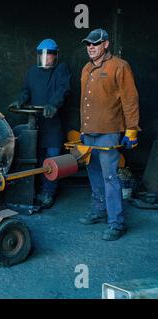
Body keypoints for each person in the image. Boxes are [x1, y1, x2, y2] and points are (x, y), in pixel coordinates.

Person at [78, 28, 140, 241]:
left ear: (106, 44)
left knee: (110, 177)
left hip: (108, 133)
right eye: (88, 44)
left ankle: (116, 223)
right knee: (94, 174)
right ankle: (99, 211)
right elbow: (83, 103)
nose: (91, 47)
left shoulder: (119, 66)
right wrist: (83, 129)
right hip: (89, 132)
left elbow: (130, 100)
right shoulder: (86, 69)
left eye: (95, 43)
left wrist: (131, 129)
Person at [9, 39, 71, 209]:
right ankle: (34, 191)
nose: (45, 58)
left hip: (53, 125)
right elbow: (26, 90)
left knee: (52, 160)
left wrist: (53, 104)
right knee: (37, 158)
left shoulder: (61, 70)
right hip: (37, 124)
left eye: (49, 55)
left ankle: (49, 193)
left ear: (55, 55)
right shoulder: (32, 72)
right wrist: (20, 101)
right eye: (42, 55)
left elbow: (63, 89)